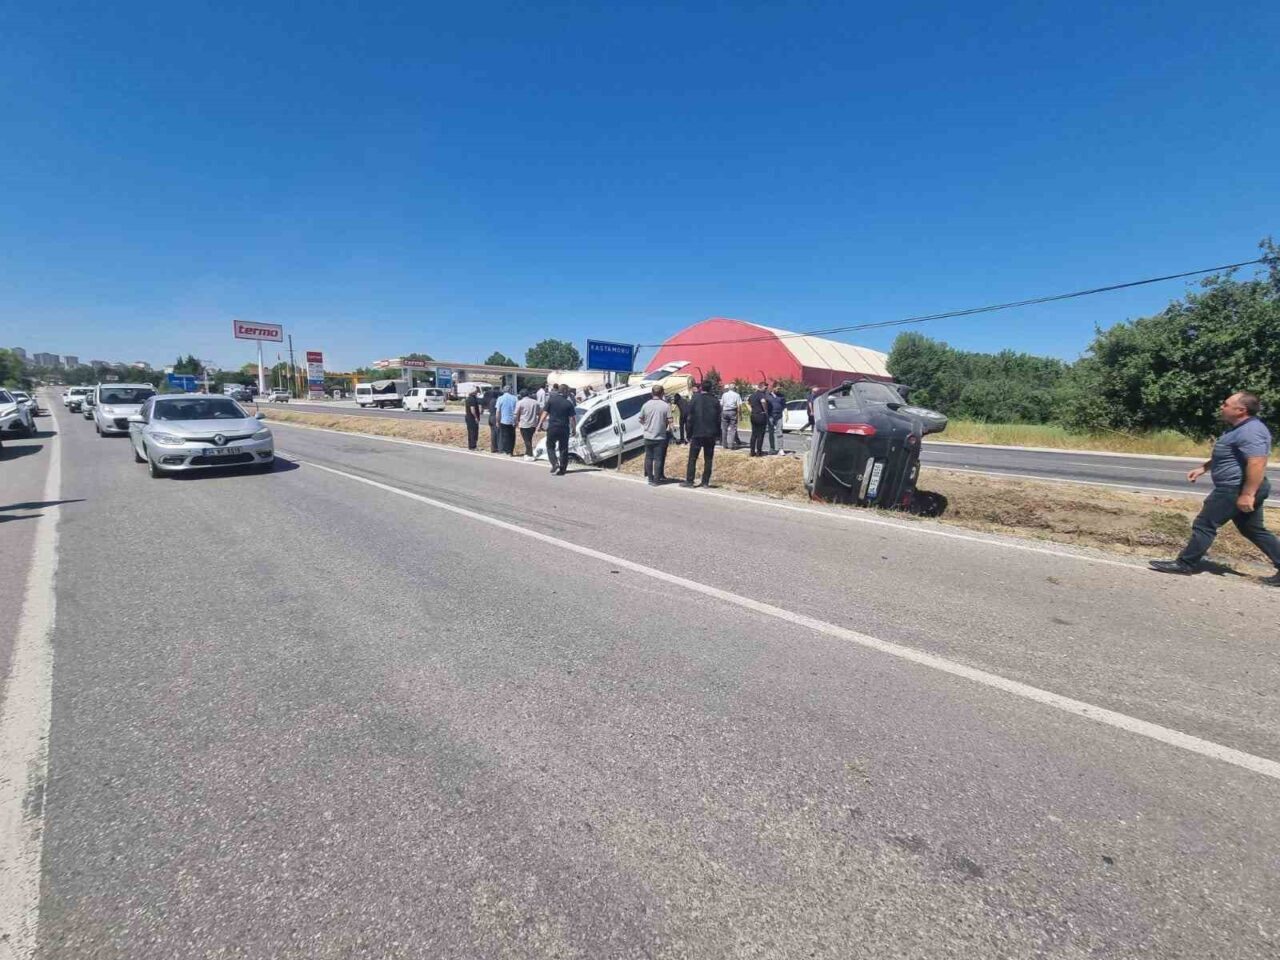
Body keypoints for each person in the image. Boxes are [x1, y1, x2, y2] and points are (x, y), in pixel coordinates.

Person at [1150, 391, 1280, 583]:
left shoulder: (1251, 431)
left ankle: (1185, 563)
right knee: (1252, 529)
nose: (1222, 406)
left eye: (1226, 404)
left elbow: (1257, 463)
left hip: (1234, 488)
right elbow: (1228, 454)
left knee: (1205, 524)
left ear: (1241, 410)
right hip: (1238, 488)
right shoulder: (1238, 428)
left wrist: (1247, 494)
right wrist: (1204, 468)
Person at [682, 381, 722, 487]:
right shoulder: (715, 400)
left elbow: (689, 417)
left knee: (692, 458)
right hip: (711, 433)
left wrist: (688, 433)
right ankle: (705, 482)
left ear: (701, 388)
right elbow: (718, 419)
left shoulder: (695, 399)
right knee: (708, 459)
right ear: (711, 388)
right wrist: (718, 434)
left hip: (697, 432)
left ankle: (690, 481)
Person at [539, 384, 577, 475]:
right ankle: (562, 469)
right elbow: (572, 418)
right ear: (564, 391)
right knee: (563, 448)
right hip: (564, 428)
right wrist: (574, 429)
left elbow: (545, 413)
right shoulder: (568, 403)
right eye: (567, 391)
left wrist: (539, 424)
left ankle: (554, 462)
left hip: (552, 427)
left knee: (550, 446)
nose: (568, 393)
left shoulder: (551, 400)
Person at [638, 385, 671, 485]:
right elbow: (670, 420)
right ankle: (657, 480)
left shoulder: (645, 405)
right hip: (660, 436)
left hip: (648, 435)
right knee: (658, 459)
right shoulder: (666, 406)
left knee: (648, 457)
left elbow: (640, 419)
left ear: (652, 393)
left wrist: (646, 425)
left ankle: (650, 478)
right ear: (662, 393)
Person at [515, 389, 540, 458]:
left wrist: (516, 422)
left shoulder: (520, 402)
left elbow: (516, 413)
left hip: (524, 423)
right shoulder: (535, 402)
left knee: (526, 439)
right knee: (529, 438)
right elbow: (539, 413)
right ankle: (527, 452)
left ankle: (530, 453)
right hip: (533, 423)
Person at [747, 381, 769, 457]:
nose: (766, 389)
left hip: (753, 415)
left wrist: (751, 410)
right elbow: (763, 402)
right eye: (765, 388)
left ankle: (752, 451)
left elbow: (748, 403)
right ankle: (759, 452)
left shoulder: (752, 395)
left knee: (754, 434)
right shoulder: (761, 395)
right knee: (760, 435)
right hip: (761, 415)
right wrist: (766, 411)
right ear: (762, 387)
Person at [495, 386, 518, 455]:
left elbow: (498, 411)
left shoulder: (500, 398)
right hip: (512, 420)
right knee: (512, 436)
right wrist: (517, 420)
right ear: (510, 390)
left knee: (504, 436)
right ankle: (511, 451)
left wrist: (497, 421)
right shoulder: (515, 398)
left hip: (503, 420)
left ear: (504, 391)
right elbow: (517, 410)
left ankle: (505, 450)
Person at [720, 383, 742, 449]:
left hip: (725, 411)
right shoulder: (737, 395)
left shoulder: (724, 394)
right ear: (734, 388)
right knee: (732, 429)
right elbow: (739, 405)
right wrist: (740, 414)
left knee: (724, 429)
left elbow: (721, 404)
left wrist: (721, 412)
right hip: (732, 411)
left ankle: (724, 444)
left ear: (729, 388)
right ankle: (731, 444)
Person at [766, 383, 786, 454]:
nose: (778, 390)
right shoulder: (767, 395)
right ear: (773, 388)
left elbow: (784, 406)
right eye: (777, 388)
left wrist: (786, 414)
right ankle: (772, 448)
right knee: (771, 433)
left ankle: (781, 449)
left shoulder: (781, 396)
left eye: (780, 388)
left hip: (779, 416)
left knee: (779, 432)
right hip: (770, 416)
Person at [483, 385, 499, 452]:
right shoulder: (496, 401)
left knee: (493, 433)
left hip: (490, 417)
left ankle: (493, 448)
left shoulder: (491, 401)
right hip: (495, 417)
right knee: (496, 433)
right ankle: (496, 447)